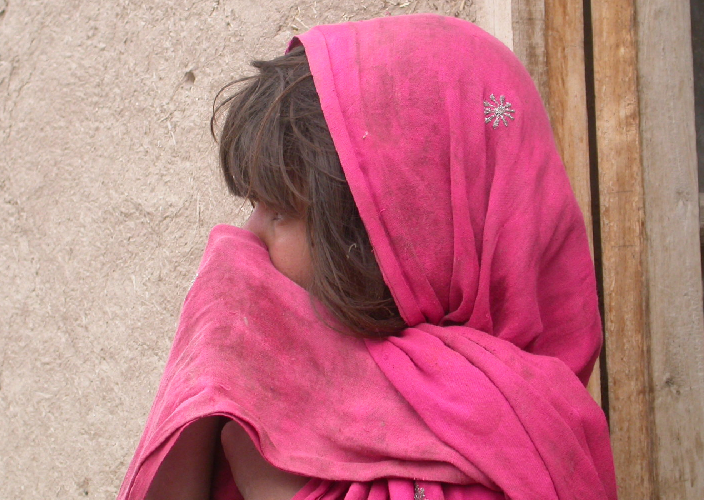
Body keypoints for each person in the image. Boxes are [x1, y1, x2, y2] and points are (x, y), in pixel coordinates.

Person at [118, 14, 617, 500]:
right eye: (255, 205)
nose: (245, 236)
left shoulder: (537, 439)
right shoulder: (267, 390)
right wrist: (203, 395)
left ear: (404, 231)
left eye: (283, 210)